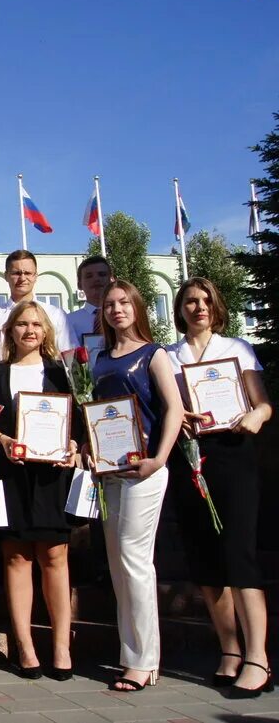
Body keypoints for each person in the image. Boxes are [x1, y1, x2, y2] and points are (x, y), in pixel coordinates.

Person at [166, 277, 272, 697]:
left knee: (239, 554)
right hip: (192, 458)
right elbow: (170, 409)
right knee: (206, 559)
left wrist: (257, 417)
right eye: (191, 301)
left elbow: (263, 402)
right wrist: (182, 418)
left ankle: (258, 657)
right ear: (180, 309)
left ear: (217, 307)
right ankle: (229, 649)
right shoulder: (171, 356)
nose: (199, 307)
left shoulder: (237, 350)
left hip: (234, 453)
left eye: (206, 301)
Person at [89, 279, 183, 693]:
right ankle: (132, 655)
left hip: (145, 469)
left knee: (135, 560)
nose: (116, 309)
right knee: (118, 566)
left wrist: (159, 458)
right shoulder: (99, 359)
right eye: (109, 304)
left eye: (124, 302)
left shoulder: (154, 353)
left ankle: (145, 660)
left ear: (137, 307)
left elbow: (174, 408)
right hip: (111, 472)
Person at [0, 301, 79, 681]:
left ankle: (61, 646)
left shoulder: (63, 373)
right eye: (21, 324)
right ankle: (24, 645)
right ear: (10, 331)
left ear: (46, 332)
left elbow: (79, 424)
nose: (29, 330)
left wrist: (75, 447)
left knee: (55, 558)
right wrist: (2, 439)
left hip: (52, 477)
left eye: (36, 325)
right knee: (16, 559)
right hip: (13, 475)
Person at [0, 250, 74, 362]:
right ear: (6, 276)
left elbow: (70, 357)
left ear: (35, 276)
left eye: (28, 273)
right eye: (16, 273)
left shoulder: (55, 314)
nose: (22, 278)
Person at [66, 255, 112, 344]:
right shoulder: (68, 321)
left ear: (111, 280)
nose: (96, 279)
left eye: (102, 274)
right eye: (89, 276)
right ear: (79, 284)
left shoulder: (122, 317)